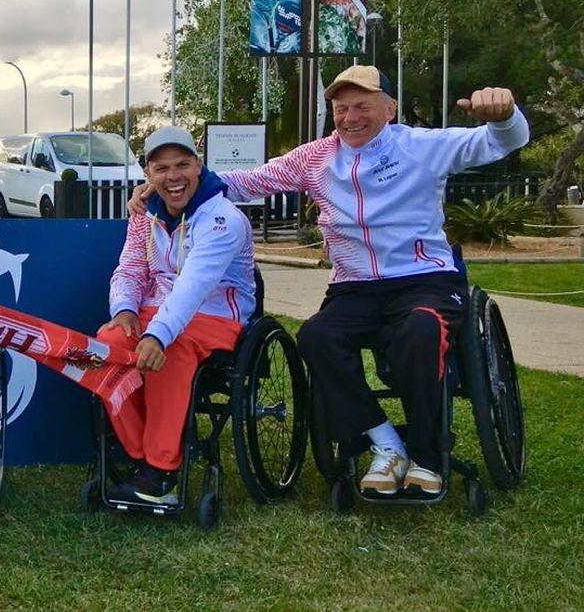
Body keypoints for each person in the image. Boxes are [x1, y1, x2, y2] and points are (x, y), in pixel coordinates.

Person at [131, 65, 529, 495]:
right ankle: (386, 444)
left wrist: (504, 114)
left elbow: (501, 141)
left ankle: (428, 457)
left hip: (423, 277)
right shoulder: (316, 157)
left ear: (390, 109)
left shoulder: (421, 146)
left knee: (421, 330)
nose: (350, 117)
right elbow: (249, 181)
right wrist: (170, 186)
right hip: (354, 285)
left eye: (362, 106)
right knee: (316, 337)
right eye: (341, 108)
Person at [98, 127, 256, 505]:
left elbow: (194, 286)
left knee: (171, 351)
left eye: (183, 165)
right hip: (157, 312)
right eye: (162, 168)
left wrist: (157, 335)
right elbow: (130, 268)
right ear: (149, 175)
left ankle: (163, 470)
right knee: (106, 346)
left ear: (198, 166)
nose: (173, 177)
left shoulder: (223, 218)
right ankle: (139, 456)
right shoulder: (144, 214)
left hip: (216, 312)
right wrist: (123, 310)